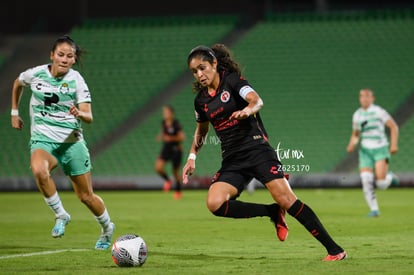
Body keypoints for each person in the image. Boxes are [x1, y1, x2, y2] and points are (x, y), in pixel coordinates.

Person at [182, 44, 347, 261]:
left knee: (287, 199)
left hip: (257, 149)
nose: (199, 74)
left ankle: (335, 250)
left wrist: (247, 110)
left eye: (202, 68)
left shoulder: (232, 80)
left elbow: (256, 100)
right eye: (194, 71)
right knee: (214, 203)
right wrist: (192, 157)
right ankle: (271, 212)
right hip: (232, 159)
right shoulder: (201, 101)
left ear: (214, 63)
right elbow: (201, 131)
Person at [10, 35, 115, 250]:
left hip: (71, 142)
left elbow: (89, 116)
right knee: (39, 170)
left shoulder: (76, 80)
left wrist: (80, 113)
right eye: (61, 55)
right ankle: (61, 214)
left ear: (74, 60)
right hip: (43, 139)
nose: (64, 59)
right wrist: (14, 111)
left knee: (86, 196)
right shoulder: (35, 74)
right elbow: (17, 83)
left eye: (69, 56)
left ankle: (107, 229)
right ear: (52, 55)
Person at [346, 88, 399, 217]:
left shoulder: (379, 112)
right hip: (365, 151)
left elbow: (393, 126)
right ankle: (374, 209)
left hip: (380, 148)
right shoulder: (357, 115)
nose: (364, 99)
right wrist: (352, 144)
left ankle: (390, 178)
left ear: (372, 98)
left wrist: (393, 144)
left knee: (381, 183)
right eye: (362, 96)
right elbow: (356, 134)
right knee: (366, 179)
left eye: (367, 96)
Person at [155, 105, 185, 199]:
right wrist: (161, 136)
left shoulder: (176, 124)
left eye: (167, 112)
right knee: (158, 167)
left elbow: (182, 137)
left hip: (176, 149)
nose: (165, 114)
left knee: (175, 172)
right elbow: (164, 133)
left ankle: (178, 191)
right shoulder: (163, 123)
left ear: (171, 113)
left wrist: (170, 138)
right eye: (164, 112)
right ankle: (168, 180)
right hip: (166, 148)